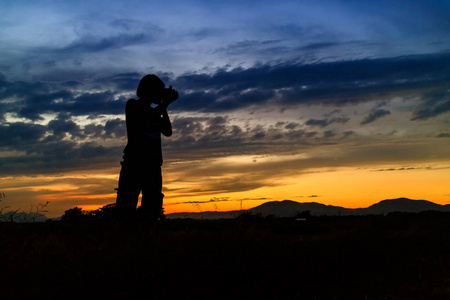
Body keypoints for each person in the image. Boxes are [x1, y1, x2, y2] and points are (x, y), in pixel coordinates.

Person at [116, 74, 178, 222]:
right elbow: (151, 113)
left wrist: (164, 107)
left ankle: (145, 237)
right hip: (134, 163)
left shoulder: (156, 112)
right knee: (126, 207)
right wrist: (166, 103)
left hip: (153, 165)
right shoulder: (133, 106)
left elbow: (168, 131)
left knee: (152, 207)